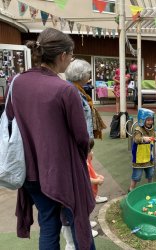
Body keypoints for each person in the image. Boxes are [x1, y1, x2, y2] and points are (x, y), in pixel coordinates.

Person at [7, 28, 95, 249]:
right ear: (63, 55)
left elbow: (9, 119)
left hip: (29, 170)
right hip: (61, 172)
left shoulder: (16, 82)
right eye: (71, 54)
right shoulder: (66, 91)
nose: (71, 59)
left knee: (48, 223)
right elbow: (82, 138)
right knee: (77, 221)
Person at [65, 59, 106, 139]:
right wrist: (86, 145)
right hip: (79, 143)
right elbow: (78, 123)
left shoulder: (76, 89)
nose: (89, 76)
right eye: (88, 73)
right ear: (81, 75)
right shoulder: (75, 92)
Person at [129, 108, 156, 192]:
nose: (150, 122)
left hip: (148, 156)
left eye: (151, 120)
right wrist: (143, 139)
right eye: (147, 120)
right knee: (136, 175)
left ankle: (150, 187)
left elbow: (154, 137)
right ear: (142, 119)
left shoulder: (152, 129)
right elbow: (136, 139)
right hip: (139, 158)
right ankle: (131, 189)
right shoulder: (138, 129)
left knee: (150, 174)